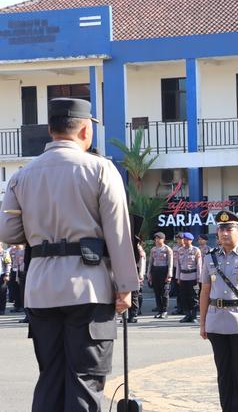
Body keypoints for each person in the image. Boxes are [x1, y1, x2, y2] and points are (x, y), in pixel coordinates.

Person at [0, 98, 139, 411]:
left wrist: (39, 232)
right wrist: (126, 287)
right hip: (89, 288)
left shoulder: (22, 174)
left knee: (50, 377)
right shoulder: (101, 169)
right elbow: (118, 232)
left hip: (40, 290)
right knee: (84, 380)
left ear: (51, 130)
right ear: (86, 130)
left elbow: (7, 232)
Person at [199, 210, 238, 411]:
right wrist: (202, 323)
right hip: (216, 321)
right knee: (223, 373)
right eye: (221, 229)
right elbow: (205, 291)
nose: (224, 233)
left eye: (229, 229)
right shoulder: (209, 257)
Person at [176, 232, 202, 323]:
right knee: (184, 297)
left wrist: (199, 278)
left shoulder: (196, 250)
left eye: (187, 239)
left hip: (193, 276)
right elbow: (178, 265)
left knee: (193, 297)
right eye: (184, 239)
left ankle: (193, 316)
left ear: (191, 240)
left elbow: (199, 265)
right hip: (183, 276)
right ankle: (187, 315)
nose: (185, 241)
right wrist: (178, 277)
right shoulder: (180, 250)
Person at [148, 232, 173, 319]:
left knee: (164, 292)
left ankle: (164, 311)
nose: (157, 240)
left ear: (163, 239)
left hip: (164, 270)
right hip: (155, 271)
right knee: (157, 292)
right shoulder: (153, 249)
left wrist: (169, 275)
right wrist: (149, 273)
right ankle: (159, 310)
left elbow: (170, 263)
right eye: (156, 238)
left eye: (159, 238)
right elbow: (150, 262)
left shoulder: (167, 249)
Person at [127, 239, 146, 323]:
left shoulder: (138, 249)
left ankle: (133, 315)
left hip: (136, 272)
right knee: (127, 295)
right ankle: (127, 315)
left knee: (134, 296)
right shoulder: (128, 247)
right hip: (128, 272)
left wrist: (141, 275)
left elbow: (142, 263)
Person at [171, 232, 185, 315]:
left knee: (184, 290)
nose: (178, 240)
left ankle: (185, 307)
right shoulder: (175, 248)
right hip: (175, 269)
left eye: (180, 239)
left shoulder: (187, 248)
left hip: (185, 270)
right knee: (177, 290)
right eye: (177, 239)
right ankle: (179, 307)